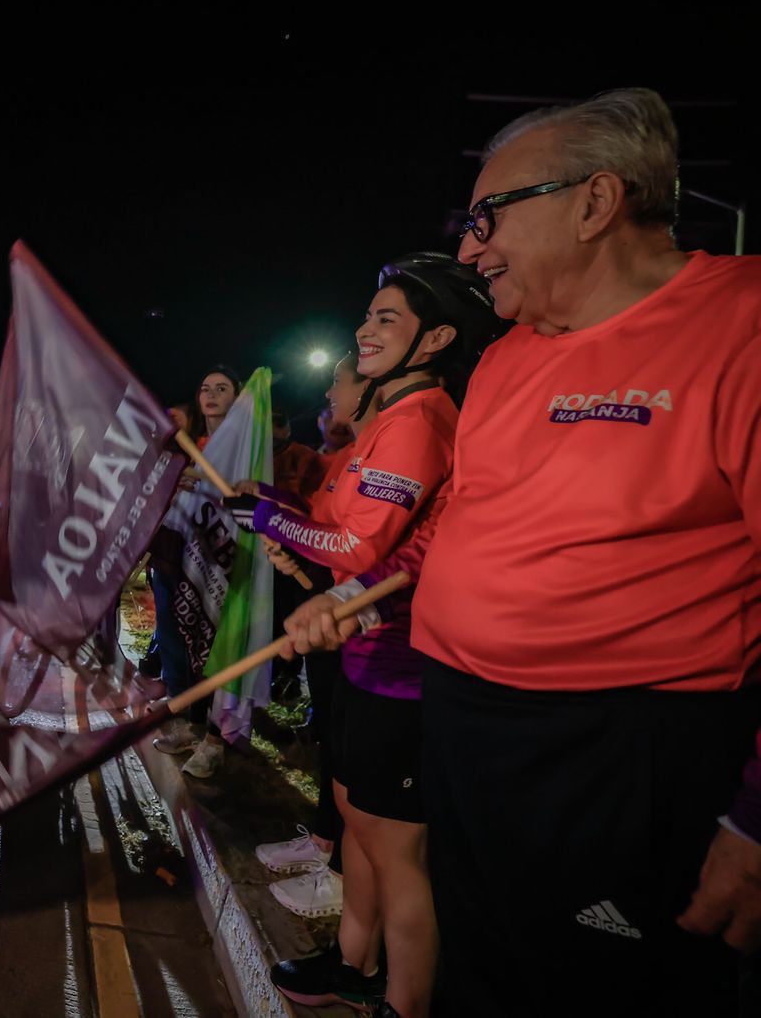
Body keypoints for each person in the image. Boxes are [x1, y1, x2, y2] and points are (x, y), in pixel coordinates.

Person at [285, 88, 761, 1015]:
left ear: (595, 201)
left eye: (488, 217)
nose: (471, 251)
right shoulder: (509, 357)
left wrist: (755, 819)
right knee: (481, 966)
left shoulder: (738, 321)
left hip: (617, 754)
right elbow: (453, 528)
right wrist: (356, 595)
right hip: (465, 728)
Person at [242, 254, 500, 1017]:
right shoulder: (389, 416)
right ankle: (354, 963)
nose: (364, 329)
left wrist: (275, 517)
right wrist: (284, 520)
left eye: (387, 317)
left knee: (397, 853)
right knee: (356, 821)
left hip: (404, 667)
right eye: (368, 314)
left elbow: (360, 549)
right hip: (364, 659)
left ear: (436, 338)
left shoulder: (420, 421)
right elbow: (337, 529)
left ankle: (405, 1002)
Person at [255, 352, 374, 922]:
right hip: (336, 611)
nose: (327, 394)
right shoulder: (351, 456)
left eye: (337, 381)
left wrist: (275, 520)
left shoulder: (400, 443)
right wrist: (288, 534)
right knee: (330, 733)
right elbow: (322, 524)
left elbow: (357, 544)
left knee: (355, 755)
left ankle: (346, 873)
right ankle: (327, 840)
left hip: (367, 628)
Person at [151, 365, 240, 779]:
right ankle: (188, 722)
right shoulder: (196, 446)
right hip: (177, 560)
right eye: (206, 388)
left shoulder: (242, 448)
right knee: (178, 644)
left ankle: (216, 739)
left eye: (222, 388)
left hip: (217, 567)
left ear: (238, 399)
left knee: (214, 652)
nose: (212, 395)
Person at [271, 410, 325, 498]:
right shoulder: (253, 456)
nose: (272, 427)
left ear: (288, 429)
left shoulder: (305, 456)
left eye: (279, 423)